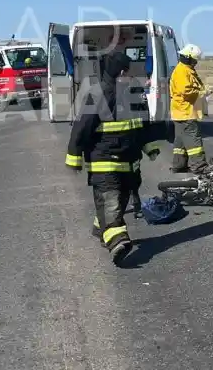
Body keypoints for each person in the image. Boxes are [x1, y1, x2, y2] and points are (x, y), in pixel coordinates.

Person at [64, 50, 162, 265]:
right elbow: (81, 128)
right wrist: (74, 157)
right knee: (111, 203)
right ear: (119, 72)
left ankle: (102, 228)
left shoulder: (134, 93)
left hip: (129, 164)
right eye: (127, 70)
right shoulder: (98, 95)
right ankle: (118, 240)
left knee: (119, 200)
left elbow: (141, 126)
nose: (130, 74)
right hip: (104, 162)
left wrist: (150, 147)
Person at [169, 44, 213, 174]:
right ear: (189, 58)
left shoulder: (186, 70)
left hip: (181, 112)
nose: (196, 62)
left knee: (181, 141)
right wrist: (204, 93)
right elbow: (186, 91)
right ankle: (199, 166)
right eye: (195, 59)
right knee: (193, 139)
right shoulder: (182, 71)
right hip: (185, 112)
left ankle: (178, 165)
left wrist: (204, 89)